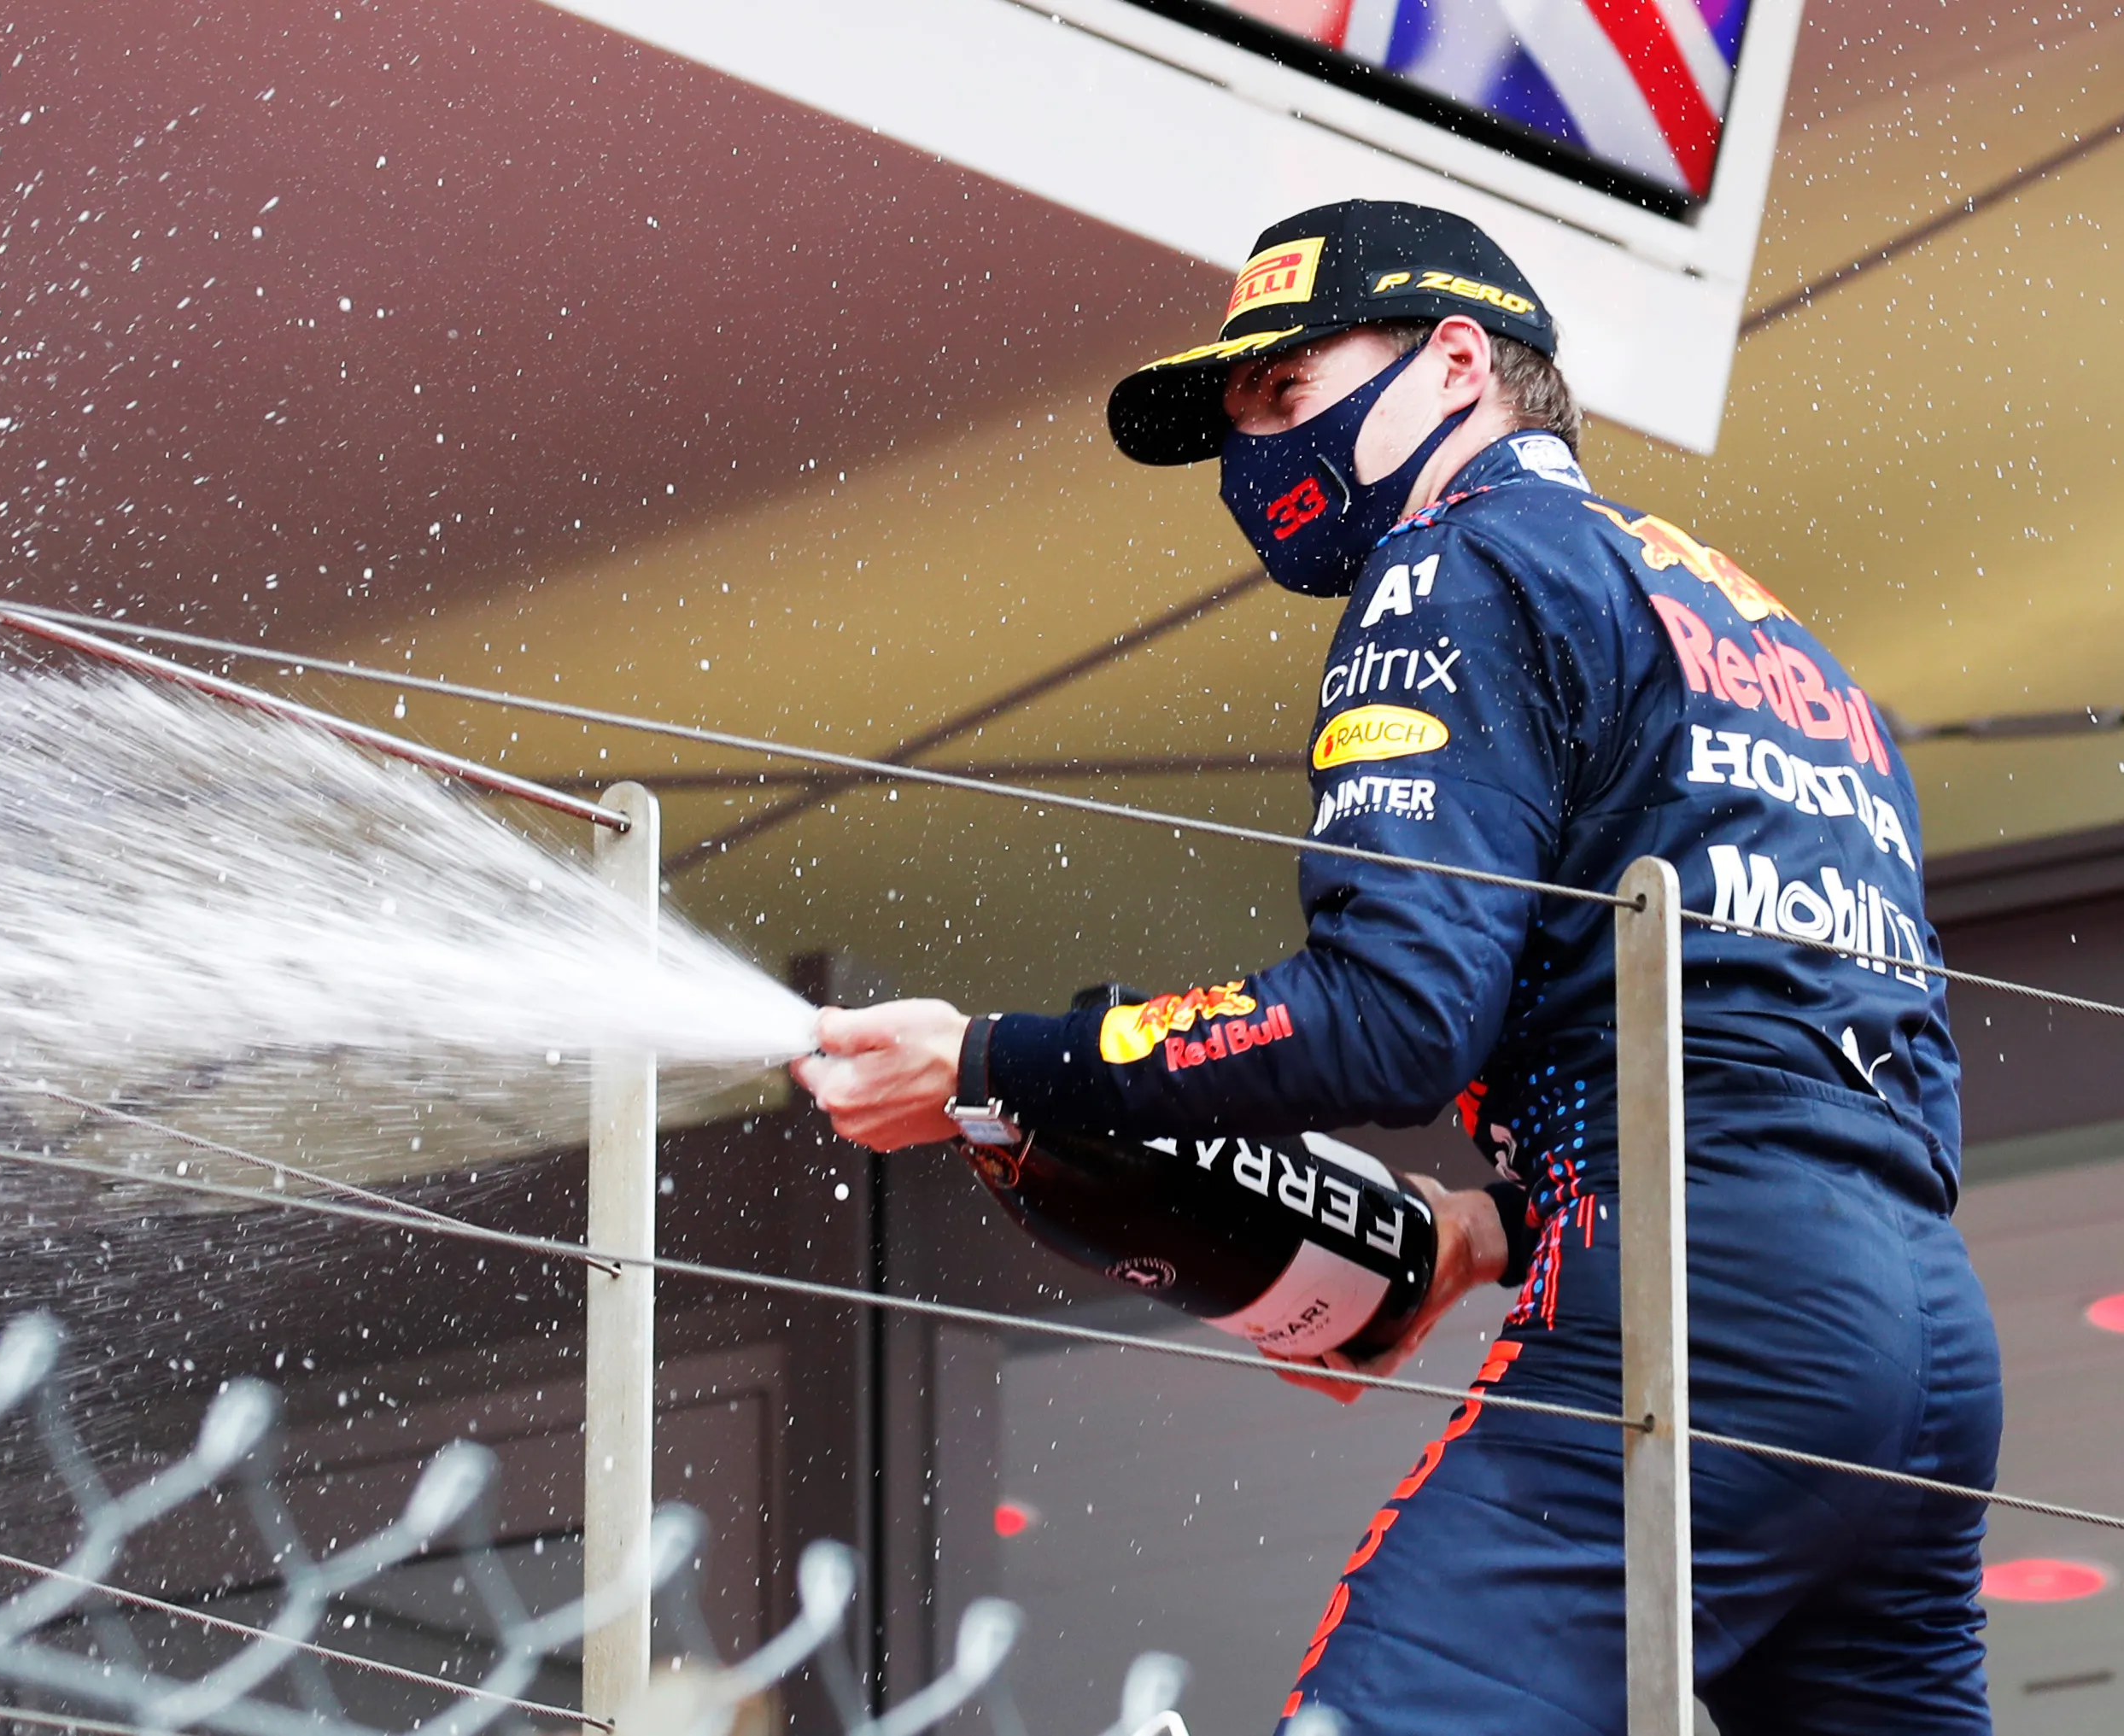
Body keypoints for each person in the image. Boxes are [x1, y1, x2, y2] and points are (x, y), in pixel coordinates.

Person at [791, 199, 2003, 1736]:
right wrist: (1490, 1228)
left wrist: (986, 1063)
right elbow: (1775, 1066)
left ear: (1451, 364)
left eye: (1286, 397)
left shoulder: (1459, 563)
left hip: (1704, 1317)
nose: (1257, 459)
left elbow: (1390, 1020)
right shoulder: (1753, 627)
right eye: (1240, 420)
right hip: (1923, 1347)